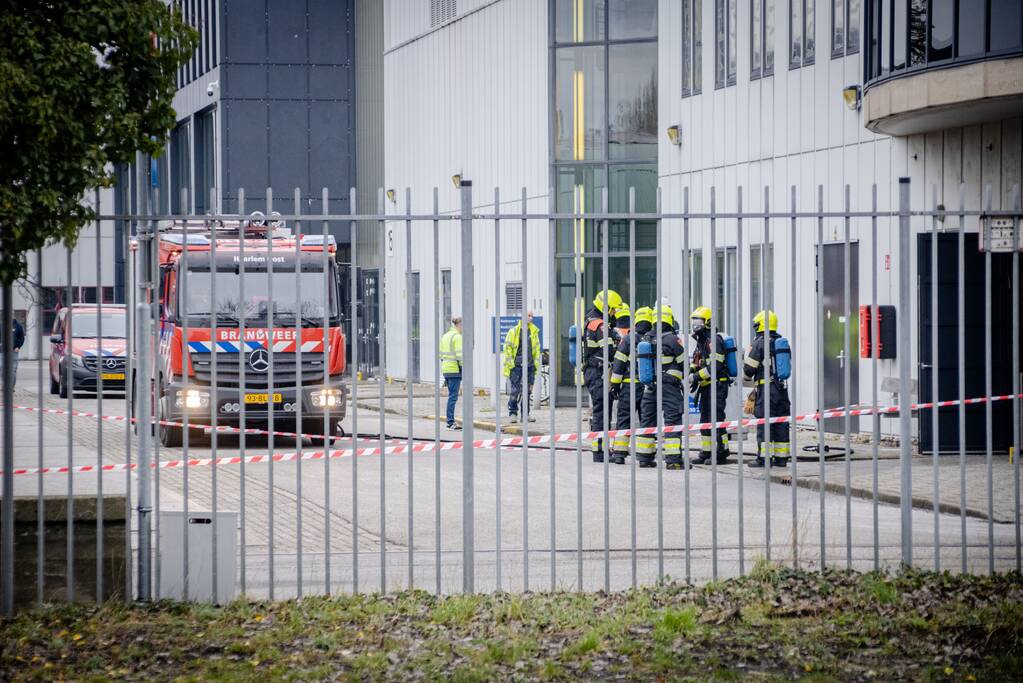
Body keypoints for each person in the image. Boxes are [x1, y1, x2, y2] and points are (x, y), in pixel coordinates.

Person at [635, 305, 687, 468]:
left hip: (650, 386)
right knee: (672, 420)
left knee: (648, 420)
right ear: (669, 319)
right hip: (669, 387)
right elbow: (684, 364)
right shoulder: (673, 339)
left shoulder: (646, 339)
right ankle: (673, 461)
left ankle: (644, 458)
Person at [743, 310, 791, 468]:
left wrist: (747, 378)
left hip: (767, 389)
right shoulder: (781, 342)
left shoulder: (759, 343)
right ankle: (781, 458)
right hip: (782, 388)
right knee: (781, 422)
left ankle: (763, 458)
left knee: (765, 422)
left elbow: (749, 369)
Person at [608, 306, 653, 465]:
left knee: (624, 419)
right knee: (646, 421)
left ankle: (619, 454)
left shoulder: (628, 339)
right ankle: (645, 458)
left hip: (629, 387)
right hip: (648, 388)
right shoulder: (652, 339)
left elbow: (619, 363)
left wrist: (614, 384)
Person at [583, 289, 622, 462]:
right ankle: (600, 452)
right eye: (613, 310)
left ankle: (600, 450)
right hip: (598, 372)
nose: (614, 313)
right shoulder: (600, 325)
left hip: (593, 371)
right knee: (601, 412)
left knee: (601, 411)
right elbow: (609, 351)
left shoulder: (591, 321)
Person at [688, 306, 731, 465]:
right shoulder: (702, 341)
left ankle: (721, 452)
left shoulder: (714, 340)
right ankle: (706, 451)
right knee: (705, 419)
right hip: (706, 387)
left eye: (698, 321)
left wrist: (695, 376)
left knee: (717, 419)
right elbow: (697, 361)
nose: (695, 325)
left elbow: (716, 366)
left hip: (717, 386)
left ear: (707, 322)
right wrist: (689, 373)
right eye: (694, 321)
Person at [502, 311, 541, 422]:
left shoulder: (533, 331)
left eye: (532, 315)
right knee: (515, 391)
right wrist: (511, 365)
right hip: (517, 366)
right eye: (529, 315)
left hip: (530, 366)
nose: (531, 318)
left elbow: (537, 349)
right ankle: (513, 413)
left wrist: (535, 364)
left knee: (527, 392)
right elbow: (507, 349)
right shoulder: (514, 331)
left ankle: (526, 414)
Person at [439, 316, 463, 430]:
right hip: (454, 370)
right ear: (459, 325)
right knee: (453, 396)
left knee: (452, 396)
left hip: (446, 369)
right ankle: (450, 422)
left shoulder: (445, 336)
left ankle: (450, 420)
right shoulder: (457, 337)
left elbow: (441, 355)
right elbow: (460, 356)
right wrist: (463, 369)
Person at [1, 315, 25, 389]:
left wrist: (18, 347)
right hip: (2, 350)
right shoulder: (2, 325)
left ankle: (12, 385)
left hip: (14, 350)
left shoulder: (18, 326)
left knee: (13, 369)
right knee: (2, 367)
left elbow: (21, 338)